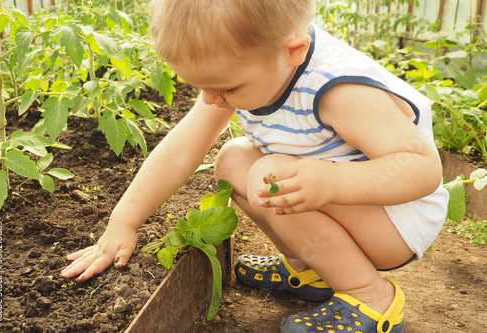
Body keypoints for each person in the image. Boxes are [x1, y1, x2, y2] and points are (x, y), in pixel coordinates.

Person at [62, 0, 449, 332]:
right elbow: (181, 150)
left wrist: (333, 181)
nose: (213, 99)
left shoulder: (339, 89)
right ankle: (312, 269)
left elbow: (421, 169)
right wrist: (123, 221)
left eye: (227, 88)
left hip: (398, 221)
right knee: (233, 160)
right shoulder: (255, 63)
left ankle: (371, 296)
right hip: (352, 208)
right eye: (203, 87)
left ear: (293, 51)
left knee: (271, 174)